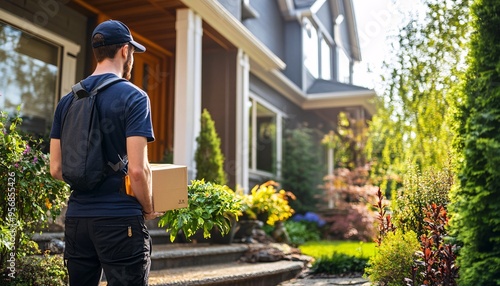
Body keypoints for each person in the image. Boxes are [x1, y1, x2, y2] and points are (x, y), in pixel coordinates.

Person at [49, 20, 163, 285]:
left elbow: (56, 169)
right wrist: (148, 208)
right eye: (133, 52)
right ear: (125, 51)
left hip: (77, 221)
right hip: (120, 222)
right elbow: (137, 169)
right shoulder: (134, 97)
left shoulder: (67, 101)